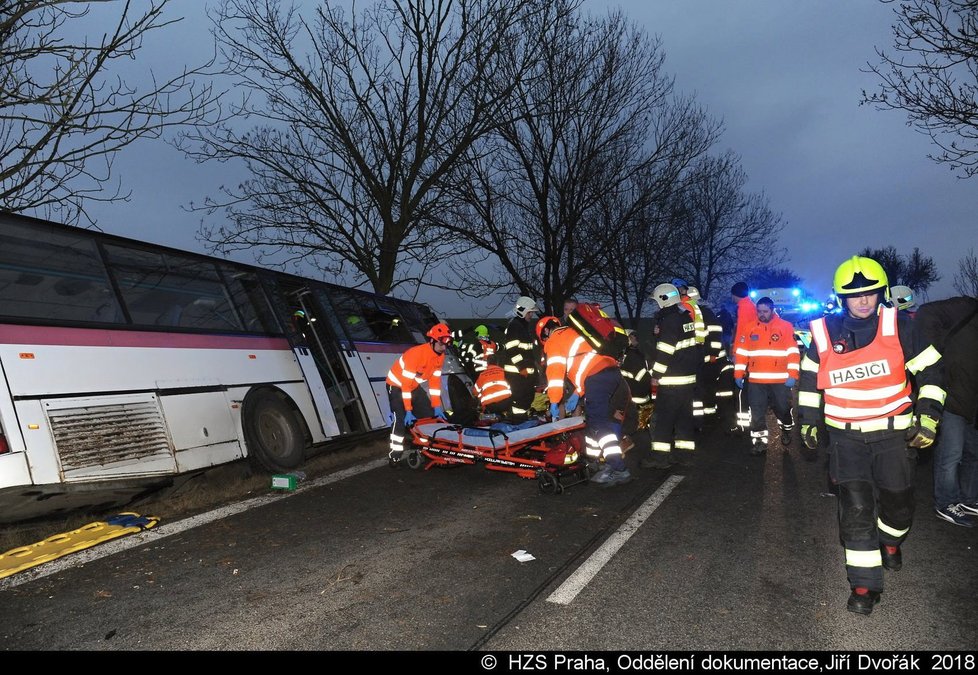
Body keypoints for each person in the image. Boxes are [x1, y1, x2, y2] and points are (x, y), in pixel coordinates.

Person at [797, 256, 945, 616]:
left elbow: (934, 373)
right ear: (841, 298)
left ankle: (891, 541)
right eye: (855, 295)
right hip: (845, 441)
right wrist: (808, 421)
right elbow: (807, 385)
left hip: (894, 438)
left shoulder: (902, 328)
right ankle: (864, 585)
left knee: (898, 506)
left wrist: (927, 418)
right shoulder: (822, 334)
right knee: (856, 510)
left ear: (882, 293)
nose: (864, 301)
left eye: (870, 293)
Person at [537, 315, 632, 487]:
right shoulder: (575, 333)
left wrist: (554, 401)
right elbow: (584, 366)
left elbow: (556, 374)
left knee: (599, 424)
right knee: (593, 424)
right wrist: (577, 393)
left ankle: (619, 468)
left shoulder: (554, 340)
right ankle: (596, 462)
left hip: (597, 378)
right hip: (610, 373)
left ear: (545, 332)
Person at [913, 296, 978, 527]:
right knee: (951, 455)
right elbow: (924, 314)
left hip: (971, 402)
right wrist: (934, 359)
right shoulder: (966, 307)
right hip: (949, 395)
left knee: (973, 454)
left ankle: (970, 499)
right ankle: (946, 503)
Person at [733, 296, 799, 455]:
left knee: (783, 408)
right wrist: (738, 373)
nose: (761, 314)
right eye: (759, 311)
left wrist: (792, 375)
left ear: (772, 309)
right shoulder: (750, 328)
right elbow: (742, 353)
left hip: (780, 380)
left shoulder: (785, 326)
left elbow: (793, 352)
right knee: (756, 412)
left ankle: (786, 429)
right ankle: (760, 442)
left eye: (765, 311)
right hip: (756, 379)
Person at [644, 283, 700, 469]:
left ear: (663, 300)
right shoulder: (684, 317)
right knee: (684, 419)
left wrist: (656, 375)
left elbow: (666, 351)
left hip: (671, 381)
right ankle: (685, 456)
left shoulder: (669, 321)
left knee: (663, 420)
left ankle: (659, 458)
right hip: (688, 379)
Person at [385, 322, 451, 465]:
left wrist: (437, 406)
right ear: (432, 341)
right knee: (400, 419)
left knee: (428, 416)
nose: (444, 347)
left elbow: (434, 383)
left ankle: (426, 448)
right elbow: (405, 385)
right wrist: (408, 410)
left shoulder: (440, 356)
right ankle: (395, 455)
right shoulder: (416, 354)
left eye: (447, 344)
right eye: (441, 343)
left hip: (413, 386)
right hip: (397, 385)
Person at [501, 296, 540, 420]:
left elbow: (526, 352)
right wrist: (522, 367)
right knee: (519, 400)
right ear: (522, 311)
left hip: (523, 374)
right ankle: (518, 421)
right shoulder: (515, 326)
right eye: (530, 312)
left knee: (526, 399)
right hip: (517, 374)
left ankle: (521, 420)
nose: (531, 315)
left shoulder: (521, 326)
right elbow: (512, 350)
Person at [619, 328, 652, 455]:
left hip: (636, 399)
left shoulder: (631, 357)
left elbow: (640, 380)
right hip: (637, 399)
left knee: (636, 428)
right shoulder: (631, 355)